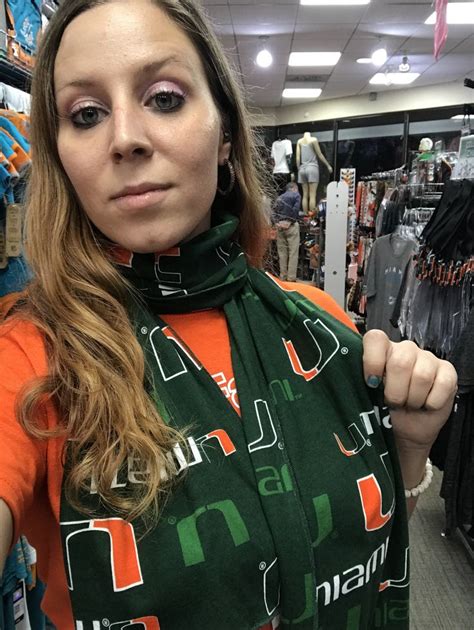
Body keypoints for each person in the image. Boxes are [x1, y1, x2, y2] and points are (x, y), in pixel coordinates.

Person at [0, 1, 457, 629]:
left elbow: (368, 533)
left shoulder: (316, 325)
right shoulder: (31, 355)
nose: (125, 136)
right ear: (61, 157)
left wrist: (406, 447)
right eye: (86, 114)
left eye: (162, 97)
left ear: (223, 136)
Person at [273, 181, 301, 282]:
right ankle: (291, 278)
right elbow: (296, 209)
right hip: (291, 226)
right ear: (294, 188)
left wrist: (277, 222)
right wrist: (290, 220)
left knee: (282, 253)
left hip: (280, 226)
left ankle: (283, 277)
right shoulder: (296, 195)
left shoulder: (280, 197)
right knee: (293, 253)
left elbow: (273, 211)